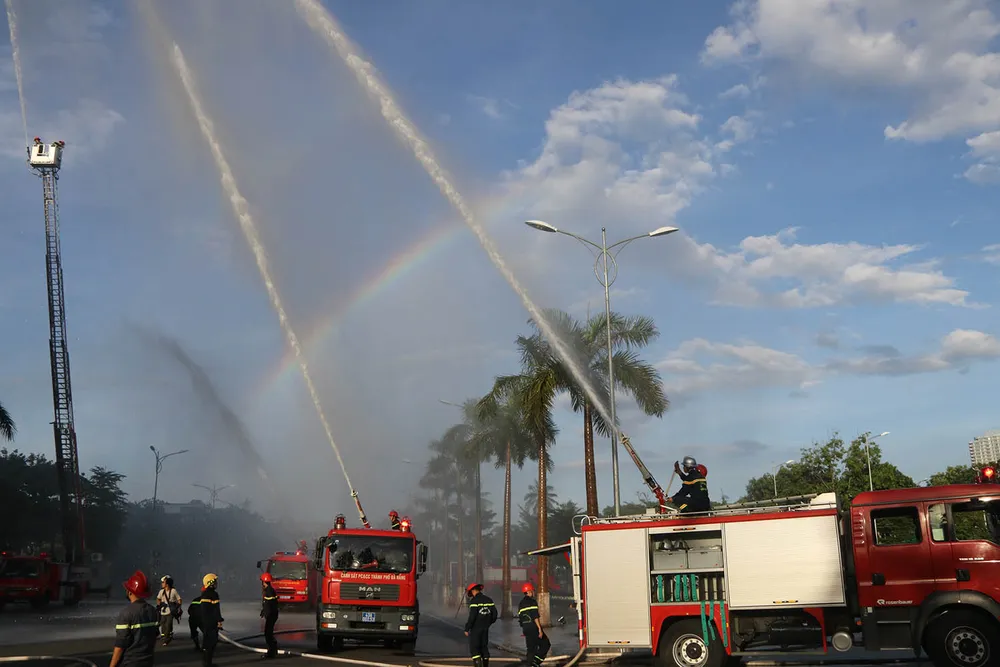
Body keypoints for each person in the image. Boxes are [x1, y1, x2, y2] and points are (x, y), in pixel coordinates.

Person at [109, 570, 159, 667]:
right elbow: (155, 635)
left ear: (130, 592)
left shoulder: (126, 613)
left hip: (130, 663)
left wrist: (112, 666)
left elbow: (120, 645)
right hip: (148, 662)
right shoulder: (153, 611)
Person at [463, 582, 497, 667]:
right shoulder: (489, 600)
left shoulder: (474, 601)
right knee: (484, 647)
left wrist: (467, 628)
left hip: (476, 628)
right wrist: (488, 623)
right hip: (485, 628)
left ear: (473, 591)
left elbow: (472, 617)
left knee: (475, 649)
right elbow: (495, 614)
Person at [517, 582, 550, 667]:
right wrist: (539, 629)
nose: (533, 592)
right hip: (534, 628)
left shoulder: (520, 603)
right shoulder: (532, 602)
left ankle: (529, 664)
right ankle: (535, 663)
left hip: (526, 629)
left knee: (531, 649)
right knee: (545, 644)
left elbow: (520, 619)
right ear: (529, 592)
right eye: (532, 591)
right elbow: (535, 616)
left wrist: (525, 628)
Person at [199, 573, 224, 667]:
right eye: (215, 581)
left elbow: (204, 610)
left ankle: (206, 663)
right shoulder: (214, 594)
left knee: (206, 643)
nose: (217, 583)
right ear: (211, 583)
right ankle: (208, 664)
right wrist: (219, 621)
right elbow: (216, 610)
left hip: (205, 622)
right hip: (212, 623)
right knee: (212, 643)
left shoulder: (204, 594)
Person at [156, 575, 182, 646]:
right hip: (163, 612)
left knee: (168, 625)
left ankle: (166, 640)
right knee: (163, 626)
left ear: (167, 584)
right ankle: (166, 636)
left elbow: (179, 600)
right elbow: (158, 599)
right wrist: (160, 604)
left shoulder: (173, 591)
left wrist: (177, 607)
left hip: (170, 612)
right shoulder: (161, 591)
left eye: (163, 582)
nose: (162, 584)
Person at [260, 572, 280, 659]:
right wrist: (263, 611)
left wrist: (266, 613)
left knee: (268, 634)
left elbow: (269, 605)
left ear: (264, 582)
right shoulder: (270, 590)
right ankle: (273, 650)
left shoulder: (269, 592)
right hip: (272, 615)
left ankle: (272, 652)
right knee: (269, 633)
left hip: (271, 615)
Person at [187, 583, 204, 652]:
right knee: (206, 632)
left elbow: (189, 610)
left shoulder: (195, 599)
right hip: (201, 619)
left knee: (194, 633)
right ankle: (205, 647)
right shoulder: (207, 600)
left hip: (192, 619)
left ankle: (197, 646)